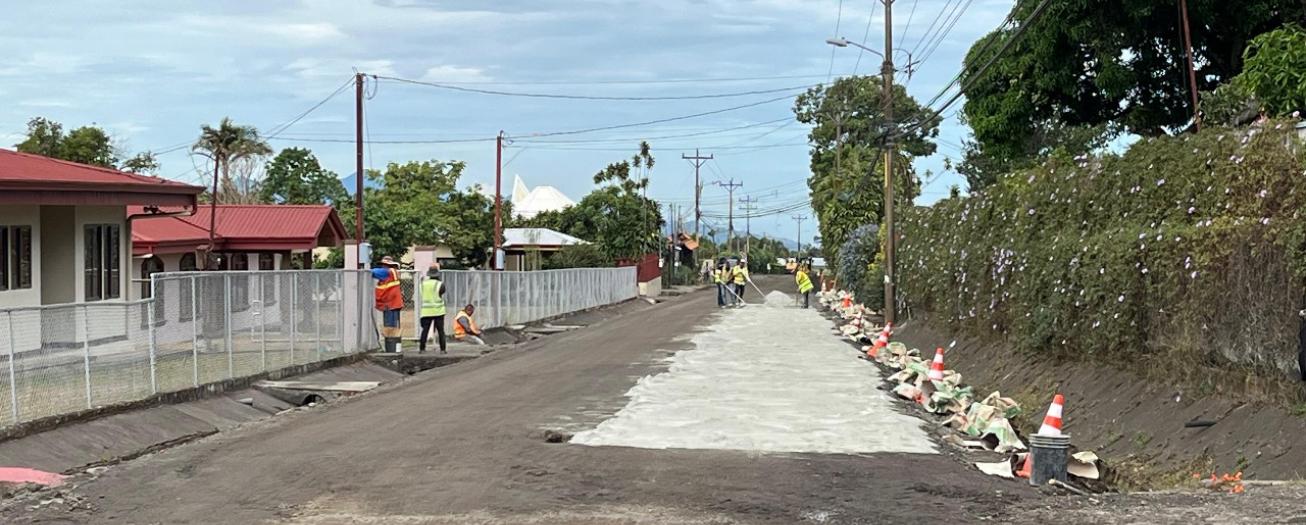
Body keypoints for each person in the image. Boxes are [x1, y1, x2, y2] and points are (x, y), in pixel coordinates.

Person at [372, 256, 404, 352]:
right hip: (395, 304)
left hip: (389, 305)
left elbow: (371, 272)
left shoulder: (386, 272)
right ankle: (396, 348)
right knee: (395, 327)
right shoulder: (393, 272)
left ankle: (391, 349)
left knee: (389, 328)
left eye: (382, 265)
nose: (381, 266)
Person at [418, 263, 447, 354]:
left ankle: (422, 349)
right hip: (438, 311)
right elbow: (441, 293)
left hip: (426, 311)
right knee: (440, 331)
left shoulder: (422, 284)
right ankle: (443, 349)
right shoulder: (440, 284)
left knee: (425, 330)